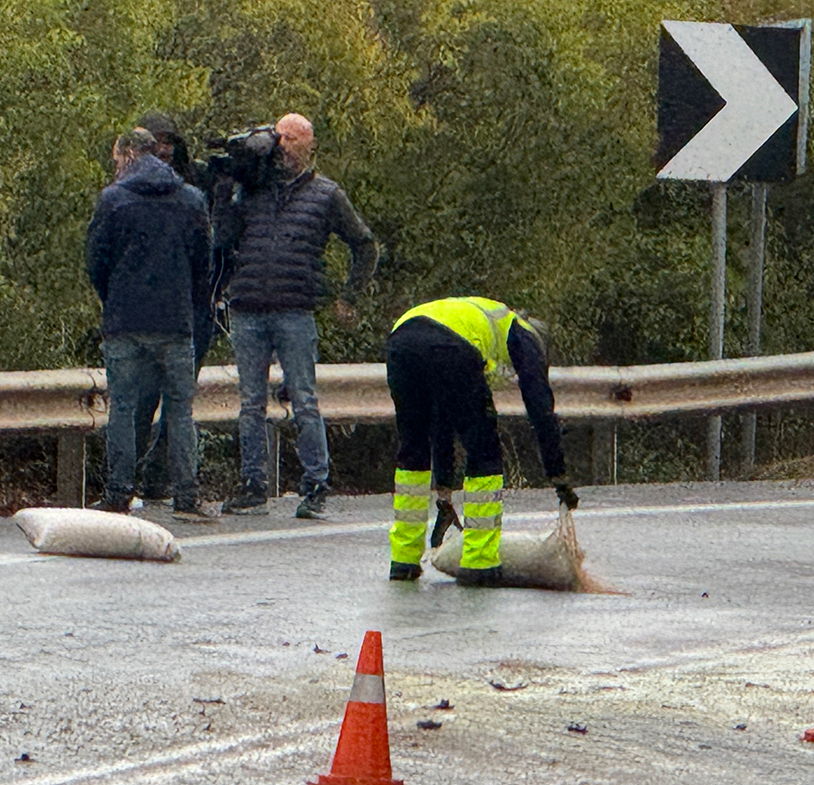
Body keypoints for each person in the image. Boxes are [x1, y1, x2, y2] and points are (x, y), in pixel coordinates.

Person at [214, 113, 378, 519]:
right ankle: (253, 485)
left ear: (309, 145)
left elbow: (365, 244)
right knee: (250, 403)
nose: (282, 145)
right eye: (279, 137)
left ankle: (316, 483)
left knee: (304, 400)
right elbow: (221, 238)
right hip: (248, 306)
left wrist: (349, 296)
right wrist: (225, 191)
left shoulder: (326, 194)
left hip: (295, 309)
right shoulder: (252, 189)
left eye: (291, 139)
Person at [385, 296, 580, 585]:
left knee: (413, 448)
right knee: (483, 449)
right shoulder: (521, 332)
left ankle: (404, 560)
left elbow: (441, 423)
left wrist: (444, 493)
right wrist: (558, 474)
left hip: (400, 341)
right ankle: (479, 563)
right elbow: (540, 407)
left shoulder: (474, 314)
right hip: (450, 346)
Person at [85, 128, 213, 519]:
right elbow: (202, 262)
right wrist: (187, 302)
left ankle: (119, 492)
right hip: (175, 321)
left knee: (122, 406)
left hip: (125, 320)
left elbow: (96, 261)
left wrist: (114, 298)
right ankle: (186, 496)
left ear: (127, 154)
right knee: (180, 410)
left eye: (115, 158)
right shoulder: (190, 199)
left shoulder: (114, 200)